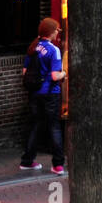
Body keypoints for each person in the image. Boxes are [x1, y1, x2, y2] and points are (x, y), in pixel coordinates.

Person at [21, 17, 67, 175]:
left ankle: (27, 160)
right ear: (51, 32)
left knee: (36, 125)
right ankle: (58, 164)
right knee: (54, 127)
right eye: (57, 30)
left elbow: (25, 72)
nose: (57, 33)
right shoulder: (54, 50)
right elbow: (55, 76)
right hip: (50, 94)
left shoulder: (33, 47)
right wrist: (64, 73)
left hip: (34, 93)